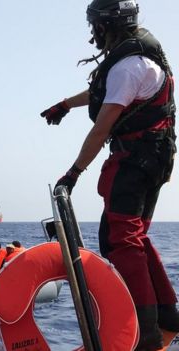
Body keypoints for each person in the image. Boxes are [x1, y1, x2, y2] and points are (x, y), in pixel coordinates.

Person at [40, 1, 177, 348]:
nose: (93, 33)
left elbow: (102, 129)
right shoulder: (136, 60)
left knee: (120, 239)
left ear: (105, 25)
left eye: (95, 26)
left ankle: (144, 330)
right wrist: (65, 105)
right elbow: (104, 93)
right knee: (136, 236)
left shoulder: (128, 66)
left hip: (135, 162)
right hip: (154, 158)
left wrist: (73, 173)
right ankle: (168, 315)